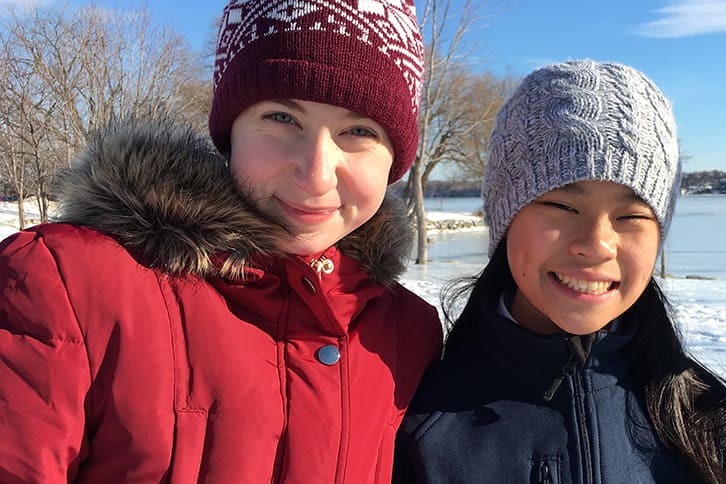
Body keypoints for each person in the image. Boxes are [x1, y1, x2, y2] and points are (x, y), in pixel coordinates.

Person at [0, 1, 443, 482]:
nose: (315, 175)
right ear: (230, 132)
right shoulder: (63, 284)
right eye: (281, 118)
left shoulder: (408, 333)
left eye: (359, 131)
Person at [394, 60, 726, 484]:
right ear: (505, 215)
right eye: (563, 206)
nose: (597, 244)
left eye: (631, 216)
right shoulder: (420, 423)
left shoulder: (704, 419)